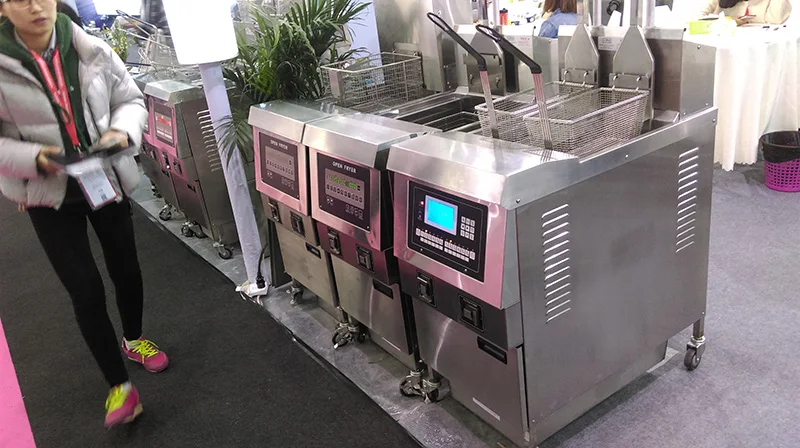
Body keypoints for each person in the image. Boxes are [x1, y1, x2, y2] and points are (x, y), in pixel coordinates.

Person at [0, 0, 169, 428]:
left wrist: (121, 131)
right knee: (85, 289)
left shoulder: (90, 47)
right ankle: (120, 387)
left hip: (103, 176)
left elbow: (130, 99)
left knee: (126, 268)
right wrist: (34, 158)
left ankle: (134, 339)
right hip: (48, 192)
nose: (35, 6)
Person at [699, 0, 792, 24]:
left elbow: (777, 19)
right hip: (722, 52)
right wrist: (728, 21)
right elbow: (697, 18)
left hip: (756, 54)